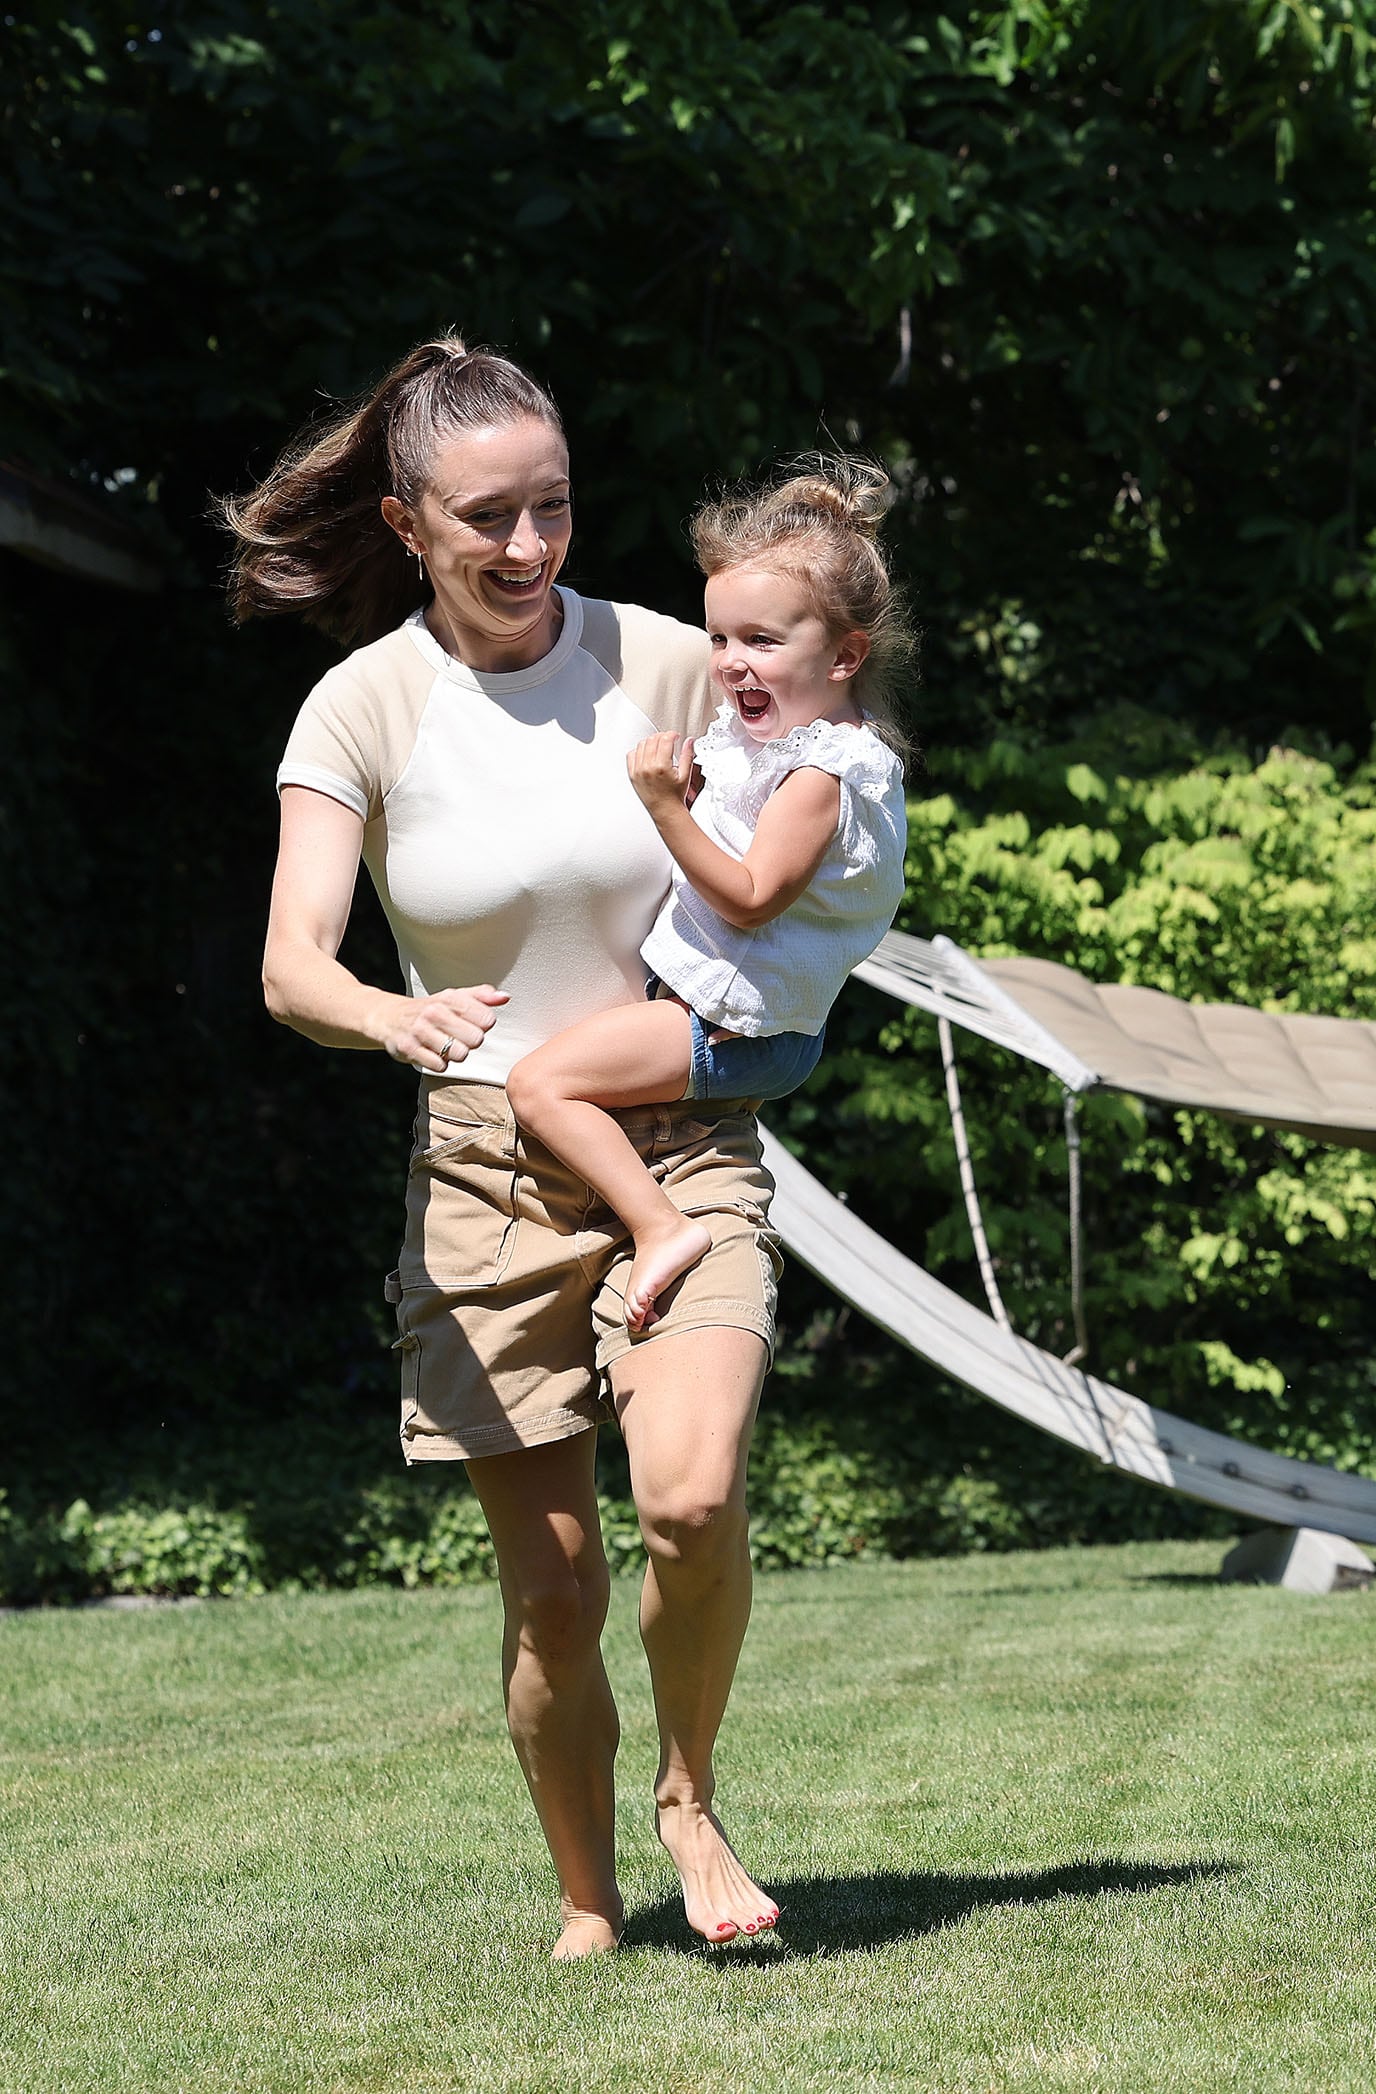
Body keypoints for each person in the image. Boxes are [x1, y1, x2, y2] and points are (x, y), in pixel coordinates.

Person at [244, 337, 787, 1956]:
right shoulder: (367, 701)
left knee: (689, 1503)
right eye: (486, 515)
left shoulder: (671, 658)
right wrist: (380, 1018)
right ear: (408, 522)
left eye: (552, 505)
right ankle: (587, 1896)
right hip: (485, 1161)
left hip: (679, 1132)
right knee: (551, 1588)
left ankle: (690, 1798)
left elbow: (831, 776)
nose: (528, 545)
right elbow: (292, 958)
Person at [507, 457, 910, 1333]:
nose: (730, 664)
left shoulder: (820, 773)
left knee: (540, 1087)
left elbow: (752, 897)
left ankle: (664, 1229)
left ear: (845, 655)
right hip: (733, 1018)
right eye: (720, 639)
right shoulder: (784, 741)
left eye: (761, 641)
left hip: (733, 1027)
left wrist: (662, 807)